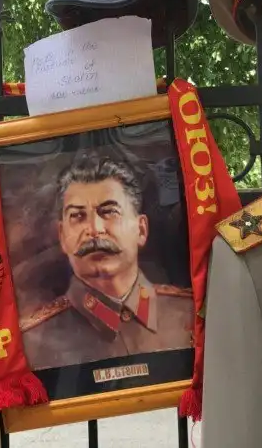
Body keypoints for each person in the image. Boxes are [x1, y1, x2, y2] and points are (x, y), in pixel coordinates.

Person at [21, 153, 193, 370]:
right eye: (78, 216)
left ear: (141, 229)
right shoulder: (33, 343)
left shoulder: (191, 315)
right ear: (62, 236)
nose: (95, 229)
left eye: (109, 212)